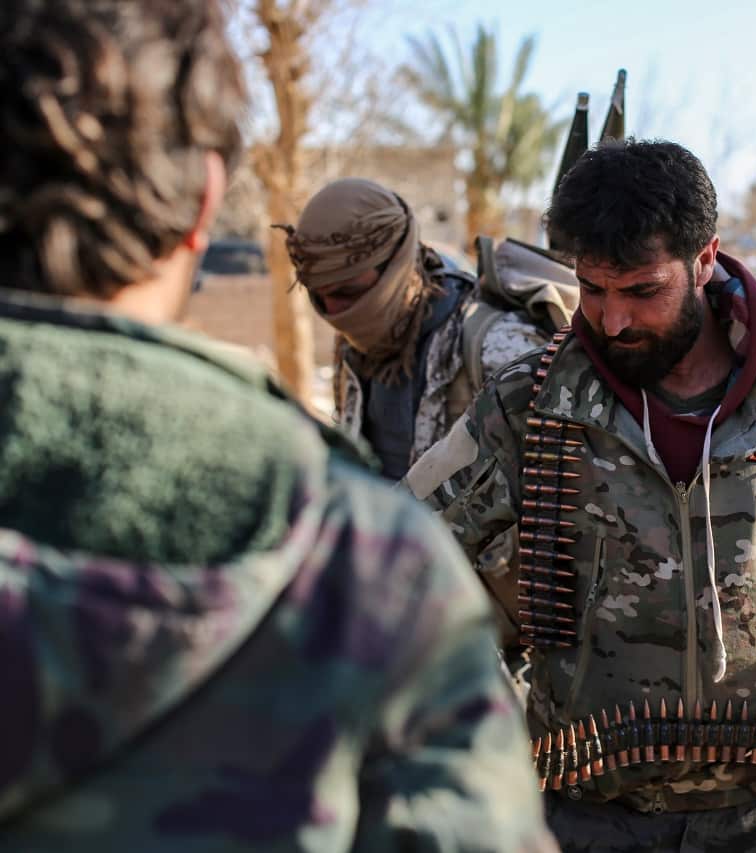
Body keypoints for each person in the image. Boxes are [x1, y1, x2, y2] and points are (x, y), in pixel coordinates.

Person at [0, 2, 554, 850]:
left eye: (350, 294)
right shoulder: (362, 559)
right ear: (206, 199)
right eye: (321, 300)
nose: (337, 315)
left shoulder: (494, 353)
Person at [402, 138, 756, 853]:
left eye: (642, 290)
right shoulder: (532, 404)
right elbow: (399, 544)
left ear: (705, 259)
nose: (611, 321)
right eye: (592, 289)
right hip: (589, 810)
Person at [282, 178, 573, 481]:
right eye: (319, 294)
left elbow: (554, 482)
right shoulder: (352, 348)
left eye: (347, 290)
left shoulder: (497, 346)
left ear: (395, 263)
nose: (334, 311)